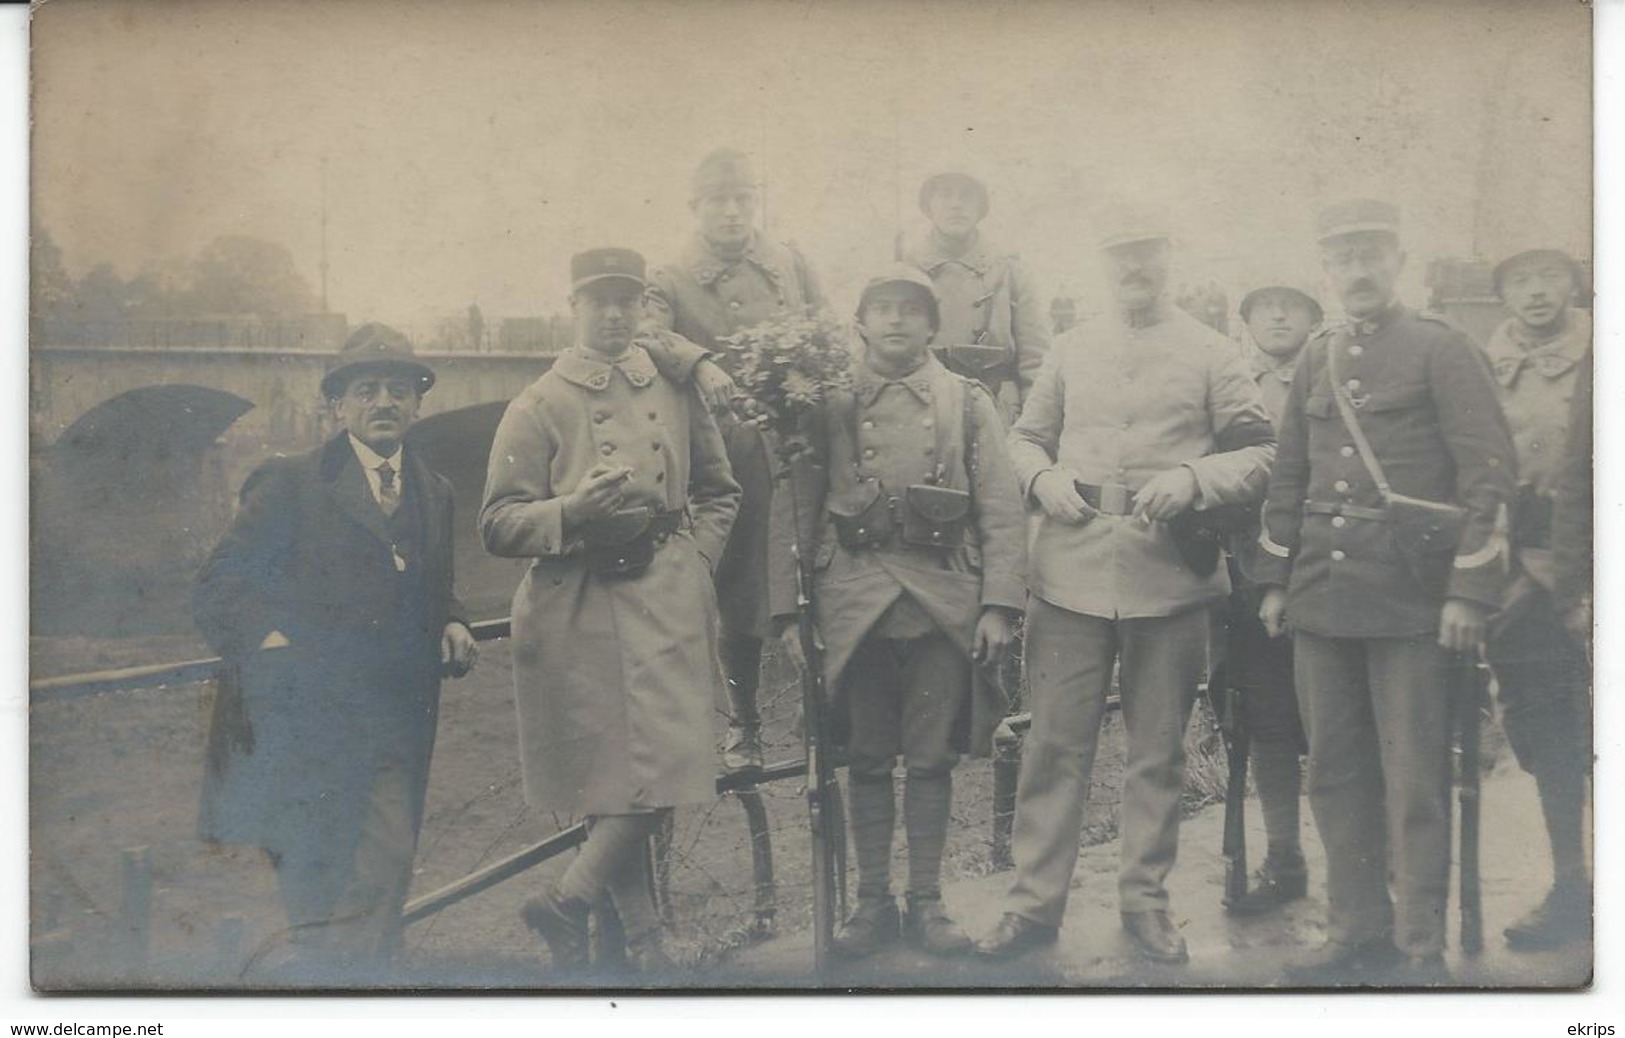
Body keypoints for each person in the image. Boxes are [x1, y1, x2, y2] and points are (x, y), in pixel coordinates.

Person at [976, 204, 1276, 965]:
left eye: (1147, 255)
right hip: (1070, 573)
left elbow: (1261, 450)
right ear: (1102, 265)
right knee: (1052, 748)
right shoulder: (1072, 349)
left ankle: (1146, 902)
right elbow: (1022, 437)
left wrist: (1192, 476)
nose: (1134, 270)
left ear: (1169, 258)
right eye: (1120, 257)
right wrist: (1041, 478)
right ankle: (1031, 906)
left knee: (1156, 753)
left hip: (1169, 578)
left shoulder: (1211, 352)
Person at [1256, 200, 1517, 984]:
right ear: (1324, 269)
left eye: (1371, 253)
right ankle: (1353, 926)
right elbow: (1289, 473)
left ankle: (1416, 943)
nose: (1357, 271)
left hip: (1410, 602)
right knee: (1333, 770)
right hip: (1321, 597)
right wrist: (1274, 579)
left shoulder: (1442, 348)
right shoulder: (1317, 356)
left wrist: (1468, 591)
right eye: (1341, 257)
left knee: (1412, 776)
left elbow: (1488, 475)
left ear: (1397, 260)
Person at [480, 248, 740, 975]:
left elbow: (721, 490)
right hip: (579, 603)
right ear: (574, 306)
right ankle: (648, 948)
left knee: (670, 758)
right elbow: (498, 523)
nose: (615, 314)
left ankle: (568, 899)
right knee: (614, 777)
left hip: (665, 593)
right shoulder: (537, 402)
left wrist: (695, 561)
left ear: (643, 307)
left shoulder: (672, 386)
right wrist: (571, 509)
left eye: (627, 300)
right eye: (599, 301)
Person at [194, 323, 479, 976]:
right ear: (338, 406)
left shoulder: (434, 491)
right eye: (368, 389)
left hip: (397, 722)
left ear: (417, 404)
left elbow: (434, 581)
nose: (385, 401)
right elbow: (221, 583)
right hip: (307, 726)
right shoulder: (293, 481)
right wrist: (275, 641)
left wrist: (454, 618)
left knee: (381, 870)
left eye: (399, 390)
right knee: (319, 886)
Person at [770, 265, 1027, 958]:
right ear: (858, 321)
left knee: (932, 760)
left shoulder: (966, 402)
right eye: (880, 308)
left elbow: (1001, 505)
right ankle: (871, 904)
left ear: (930, 324)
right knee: (867, 760)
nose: (894, 321)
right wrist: (789, 616)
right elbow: (790, 509)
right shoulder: (823, 403)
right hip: (852, 605)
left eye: (909, 310)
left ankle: (926, 903)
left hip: (941, 601)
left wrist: (999, 604)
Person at [644, 146, 828, 773]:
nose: (732, 213)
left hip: (798, 444)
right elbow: (647, 333)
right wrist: (699, 361)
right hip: (728, 455)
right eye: (718, 201)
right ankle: (744, 723)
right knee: (740, 582)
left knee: (814, 574)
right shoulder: (669, 276)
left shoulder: (788, 261)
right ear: (696, 206)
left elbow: (826, 327)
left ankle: (817, 714)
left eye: (743, 199)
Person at [1481, 247, 1592, 950]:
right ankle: (1572, 885)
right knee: (1546, 729)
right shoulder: (1484, 366)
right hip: (1521, 570)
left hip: (1593, 553)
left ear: (1573, 284)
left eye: (1548, 276)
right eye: (1517, 278)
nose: (1534, 292)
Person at [1218, 279, 1323, 915]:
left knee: (1345, 724)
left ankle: (1373, 861)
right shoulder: (1229, 382)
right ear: (1248, 317)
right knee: (1264, 723)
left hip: (1329, 572)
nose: (1278, 315)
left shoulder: (1337, 372)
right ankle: (1284, 857)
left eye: (1293, 304)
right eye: (1263, 305)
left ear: (1315, 314)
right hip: (1249, 574)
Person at [897, 168, 1050, 420]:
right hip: (923, 413)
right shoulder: (905, 270)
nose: (956, 204)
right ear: (928, 206)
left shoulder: (1009, 271)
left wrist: (1032, 429)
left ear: (981, 207)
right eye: (945, 195)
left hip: (996, 411)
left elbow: (1036, 360)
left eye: (967, 196)